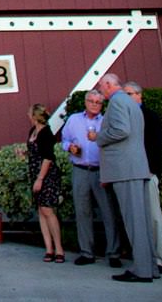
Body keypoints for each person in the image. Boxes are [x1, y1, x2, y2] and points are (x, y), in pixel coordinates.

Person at [96, 73, 158, 283]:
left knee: (133, 221)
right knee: (141, 220)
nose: (101, 92)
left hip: (125, 169)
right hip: (136, 167)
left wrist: (99, 138)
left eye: (101, 87)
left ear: (107, 85)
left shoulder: (117, 102)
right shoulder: (131, 103)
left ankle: (141, 270)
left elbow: (121, 130)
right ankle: (150, 267)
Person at [60, 90, 122, 268]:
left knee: (108, 212)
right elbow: (64, 140)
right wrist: (69, 147)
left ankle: (113, 253)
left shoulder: (106, 122)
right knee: (82, 212)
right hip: (80, 169)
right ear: (85, 102)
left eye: (98, 102)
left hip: (101, 170)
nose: (94, 104)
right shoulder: (74, 120)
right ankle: (87, 252)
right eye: (92, 101)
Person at [124, 82, 162, 274]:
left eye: (128, 94)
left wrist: (151, 169)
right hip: (132, 173)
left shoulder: (149, 116)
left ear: (138, 95)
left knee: (153, 216)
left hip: (147, 173)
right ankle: (146, 257)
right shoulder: (127, 117)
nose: (125, 98)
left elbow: (156, 144)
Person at [26, 103, 65, 263]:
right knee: (41, 210)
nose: (28, 117)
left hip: (46, 175)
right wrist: (24, 153)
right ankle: (48, 248)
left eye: (30, 114)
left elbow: (47, 157)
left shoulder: (46, 133)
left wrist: (40, 179)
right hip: (35, 172)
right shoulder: (33, 131)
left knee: (48, 210)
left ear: (35, 116)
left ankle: (59, 249)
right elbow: (35, 151)